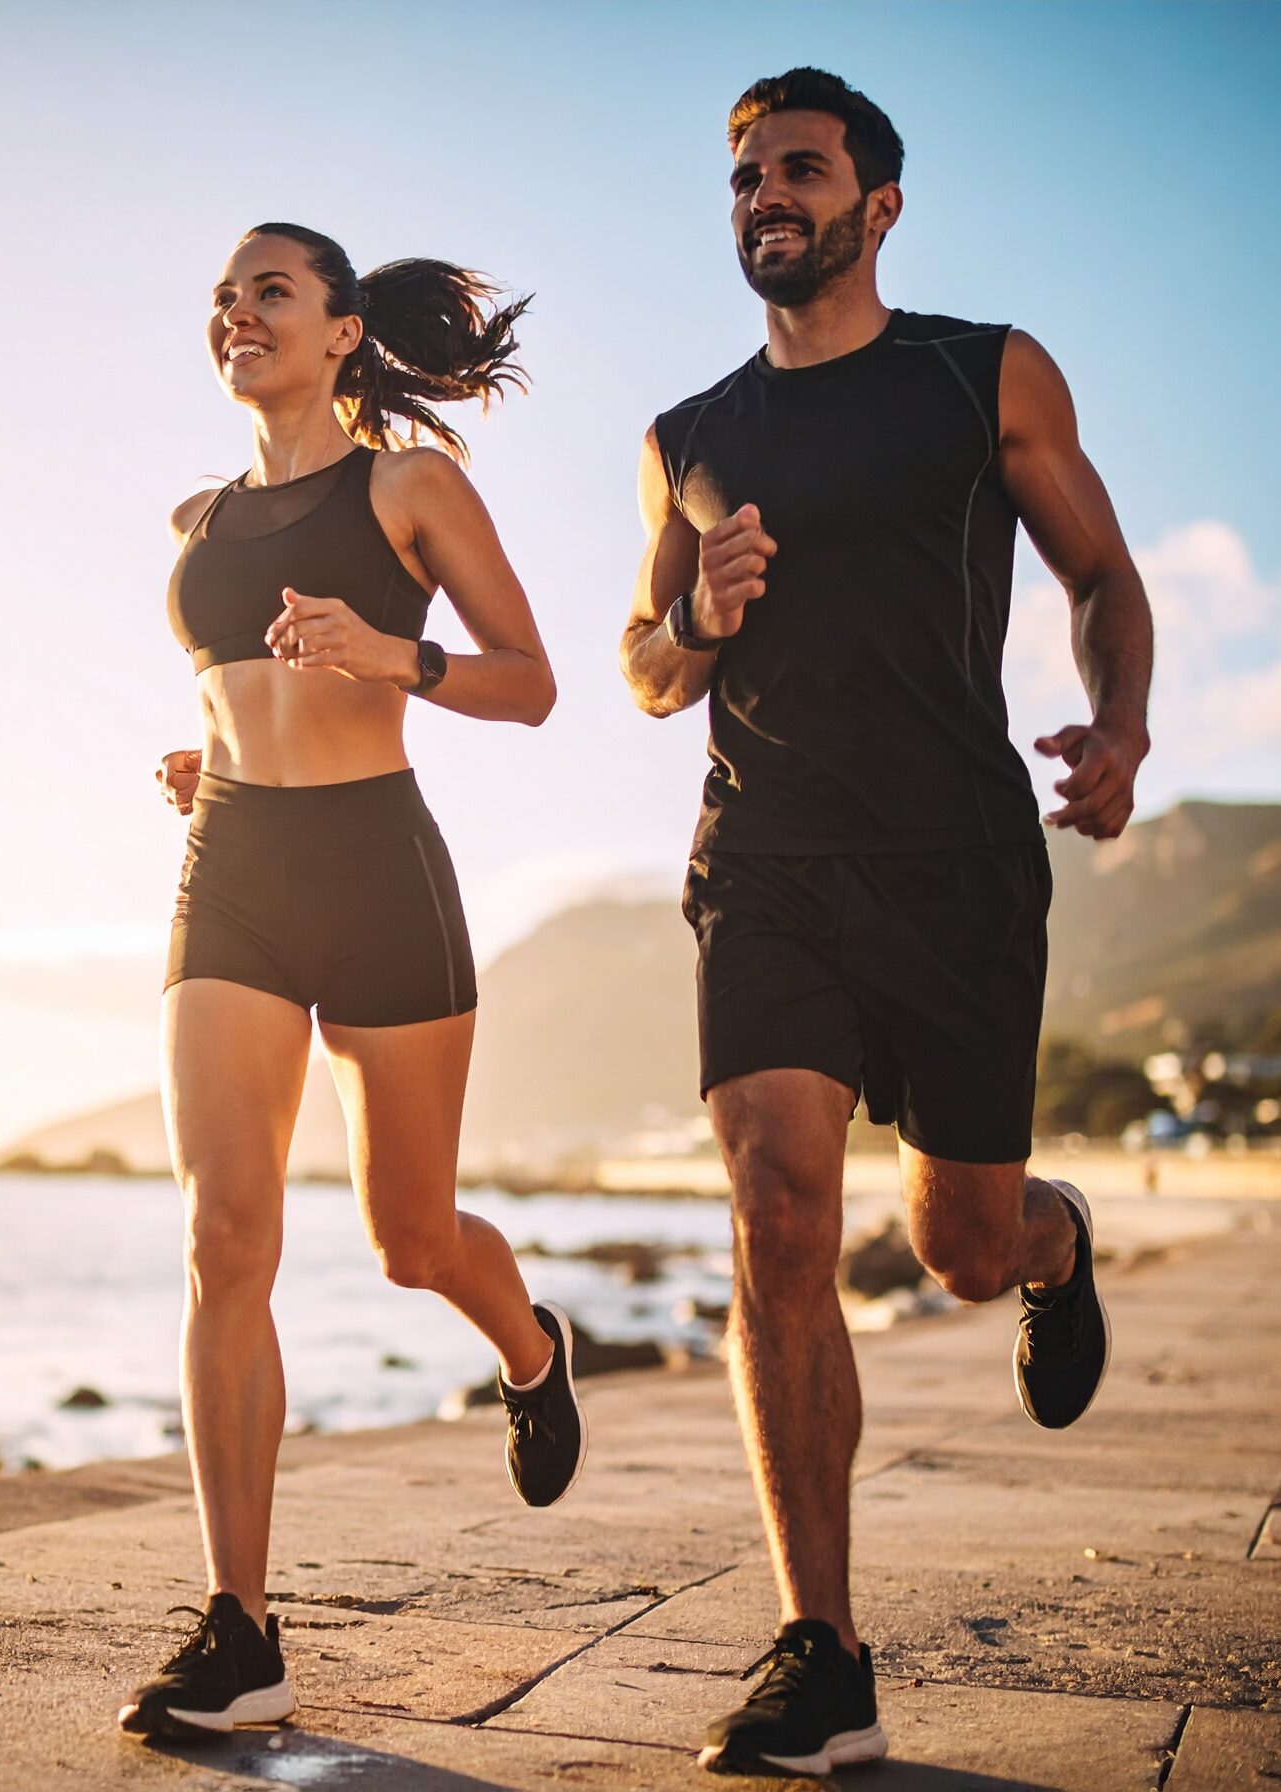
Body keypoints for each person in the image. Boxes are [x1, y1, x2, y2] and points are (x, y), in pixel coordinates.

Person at [621, 69, 1152, 1778]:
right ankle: (821, 1649)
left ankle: (1049, 1241)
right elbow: (643, 672)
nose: (763, 196)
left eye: (799, 170)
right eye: (744, 177)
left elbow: (1102, 578)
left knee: (954, 1252)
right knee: (779, 1206)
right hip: (763, 857)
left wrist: (1119, 723)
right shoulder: (689, 434)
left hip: (956, 862)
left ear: (878, 203)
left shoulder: (976, 371)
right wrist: (690, 620)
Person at [119, 223, 587, 1743]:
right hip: (235, 871)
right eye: (220, 299)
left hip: (380, 871)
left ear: (337, 333)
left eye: (268, 291)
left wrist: (399, 656)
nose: (235, 314)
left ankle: (528, 1347)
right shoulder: (194, 520)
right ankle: (239, 1624)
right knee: (224, 1233)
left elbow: (529, 679)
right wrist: (212, 756)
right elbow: (235, 694)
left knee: (405, 1239)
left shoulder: (408, 487)